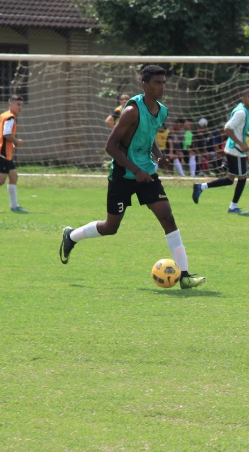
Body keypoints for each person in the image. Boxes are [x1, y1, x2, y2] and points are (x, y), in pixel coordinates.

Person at [59, 65, 205, 289]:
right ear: (144, 85)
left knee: (167, 217)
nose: (162, 87)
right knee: (111, 227)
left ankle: (184, 275)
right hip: (123, 174)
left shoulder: (161, 111)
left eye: (164, 83)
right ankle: (71, 236)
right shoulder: (131, 111)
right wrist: (135, 171)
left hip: (147, 173)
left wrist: (159, 156)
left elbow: (148, 136)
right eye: (157, 83)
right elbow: (110, 146)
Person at [192, 89, 249, 214]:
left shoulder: (245, 111)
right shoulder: (241, 112)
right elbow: (227, 129)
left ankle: (201, 187)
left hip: (234, 149)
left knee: (229, 179)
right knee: (242, 178)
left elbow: (239, 128)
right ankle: (233, 207)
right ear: (242, 98)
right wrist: (242, 145)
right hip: (236, 150)